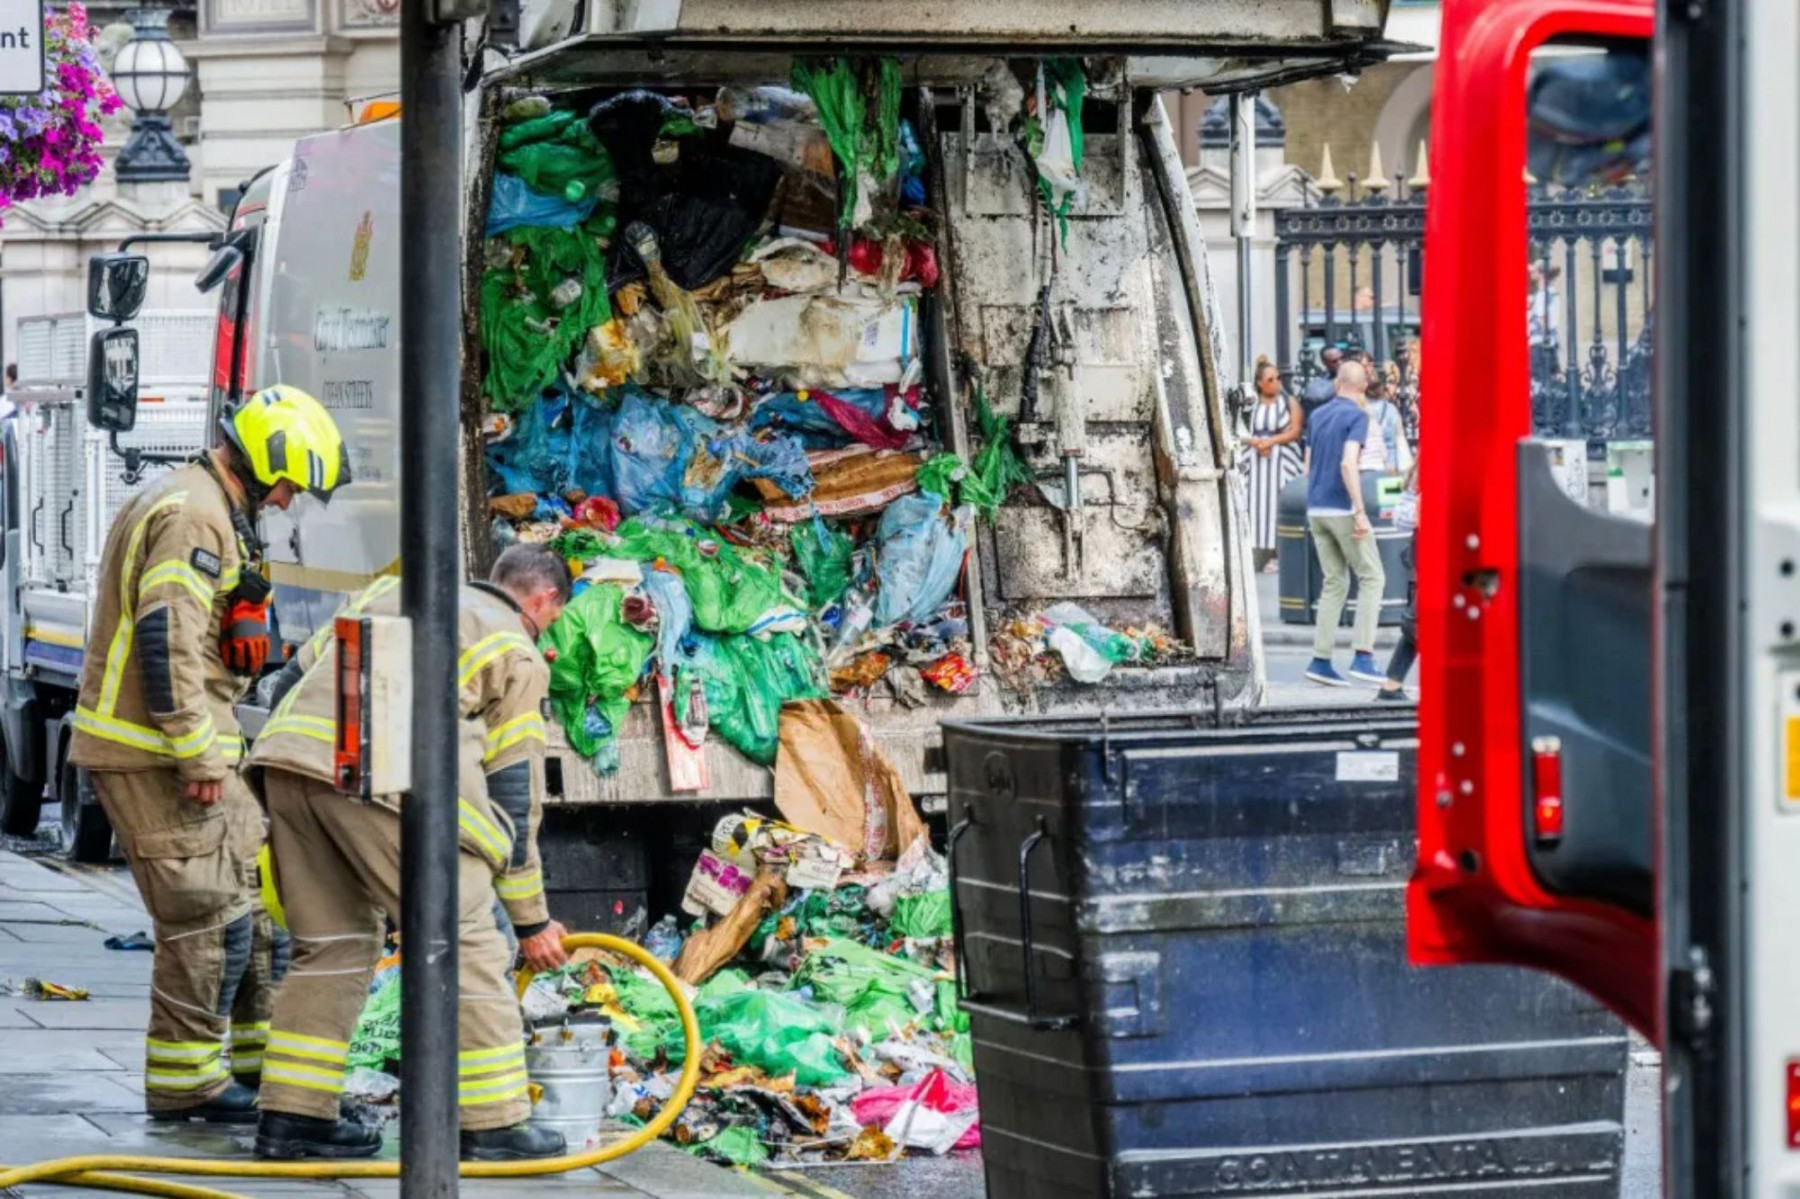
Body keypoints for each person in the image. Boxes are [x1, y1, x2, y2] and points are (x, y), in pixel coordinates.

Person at [68, 384, 350, 1124]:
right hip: (155, 756)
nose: (289, 501)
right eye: (290, 484)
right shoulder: (195, 513)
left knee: (260, 915)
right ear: (263, 462)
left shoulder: (211, 506)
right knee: (208, 917)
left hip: (190, 749)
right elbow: (168, 642)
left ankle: (260, 1070)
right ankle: (188, 1083)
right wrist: (198, 759)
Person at [246, 543, 574, 1162]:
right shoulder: (515, 647)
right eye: (553, 615)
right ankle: (493, 1122)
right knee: (471, 939)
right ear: (544, 599)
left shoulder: (388, 593)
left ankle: (293, 1118)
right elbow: (514, 791)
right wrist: (529, 919)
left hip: (288, 765)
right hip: (382, 776)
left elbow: (287, 679)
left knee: (334, 945)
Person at [1303, 359, 1387, 686]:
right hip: (1342, 506)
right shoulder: (1358, 416)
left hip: (1315, 506)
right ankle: (1363, 656)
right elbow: (1349, 463)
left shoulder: (1317, 415)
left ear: (1338, 384)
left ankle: (1321, 659)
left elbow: (1309, 465)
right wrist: (1361, 512)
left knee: (1334, 582)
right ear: (1363, 388)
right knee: (1372, 577)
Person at [1239, 356, 1304, 573]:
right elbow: (1240, 429)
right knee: (1251, 502)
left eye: (1278, 378)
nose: (1276, 382)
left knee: (1279, 502)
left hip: (1282, 460)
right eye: (1271, 379)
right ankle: (1251, 551)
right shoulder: (1250, 404)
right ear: (1259, 383)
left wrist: (1271, 441)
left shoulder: (1289, 402)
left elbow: (1295, 431)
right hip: (1255, 459)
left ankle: (1278, 553)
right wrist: (1255, 442)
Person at [1378, 458, 1421, 702]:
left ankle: (1391, 685)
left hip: (1425, 546)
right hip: (1430, 547)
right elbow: (1404, 516)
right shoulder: (1423, 469)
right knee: (1418, 617)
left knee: (1419, 616)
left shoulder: (1420, 467)